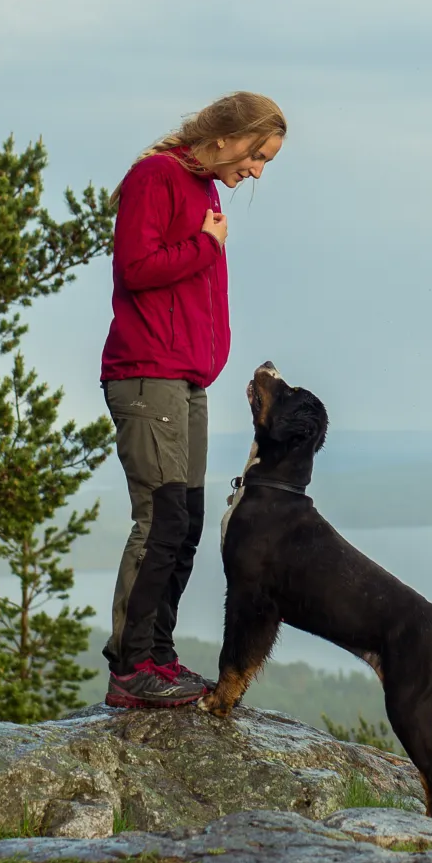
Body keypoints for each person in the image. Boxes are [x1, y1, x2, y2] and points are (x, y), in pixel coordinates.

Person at [99, 91, 287, 707]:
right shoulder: (157, 177)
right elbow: (134, 268)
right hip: (147, 374)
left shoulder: (202, 189)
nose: (256, 171)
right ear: (230, 135)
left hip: (184, 379)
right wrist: (204, 247)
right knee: (161, 520)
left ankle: (158, 655)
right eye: (257, 155)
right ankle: (130, 670)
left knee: (189, 522)